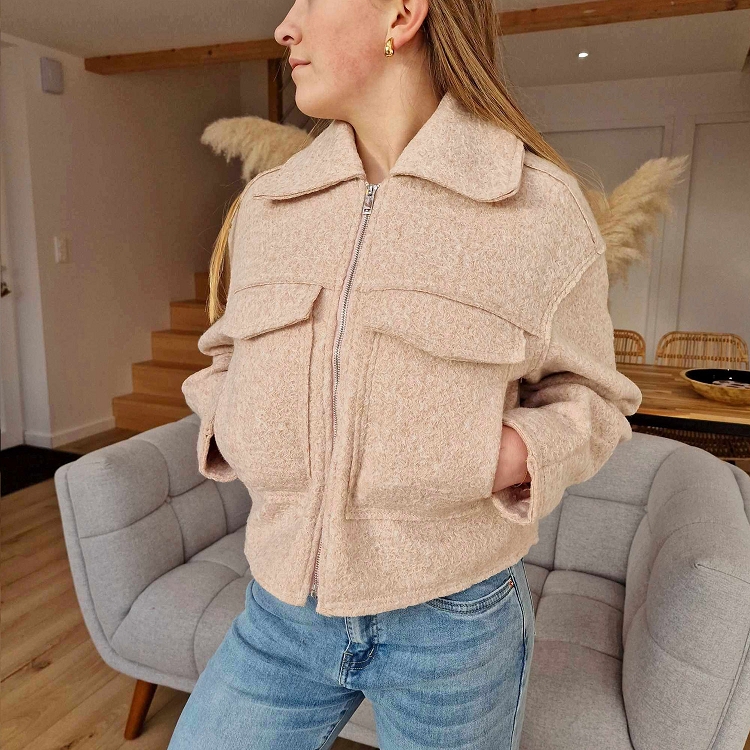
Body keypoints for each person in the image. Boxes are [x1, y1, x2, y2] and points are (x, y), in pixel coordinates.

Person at [168, 0, 643, 748]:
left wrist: (491, 458)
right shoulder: (269, 204)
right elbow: (224, 355)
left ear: (401, 14)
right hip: (282, 607)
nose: (284, 26)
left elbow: (594, 400)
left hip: (452, 623)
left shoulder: (537, 208)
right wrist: (240, 426)